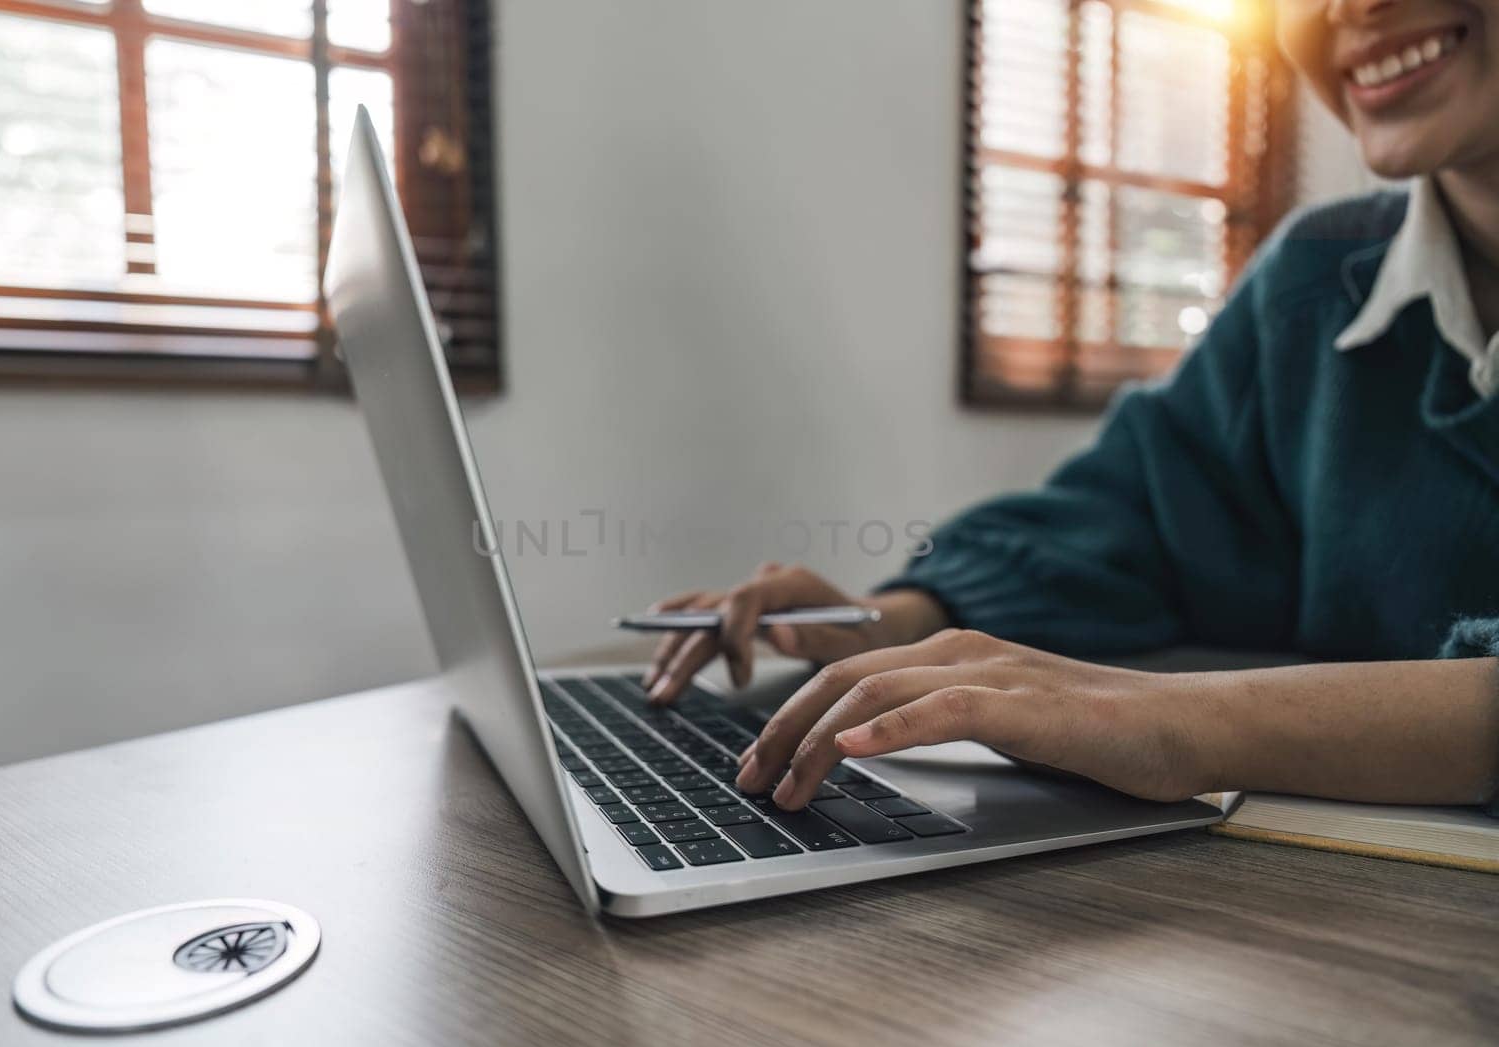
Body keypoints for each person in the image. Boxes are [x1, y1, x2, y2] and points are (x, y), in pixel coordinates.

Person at [641, 0, 1499, 816]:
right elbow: (1134, 520)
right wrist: (884, 625)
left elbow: (1177, 712)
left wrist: (1177, 722)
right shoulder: (1317, 277)